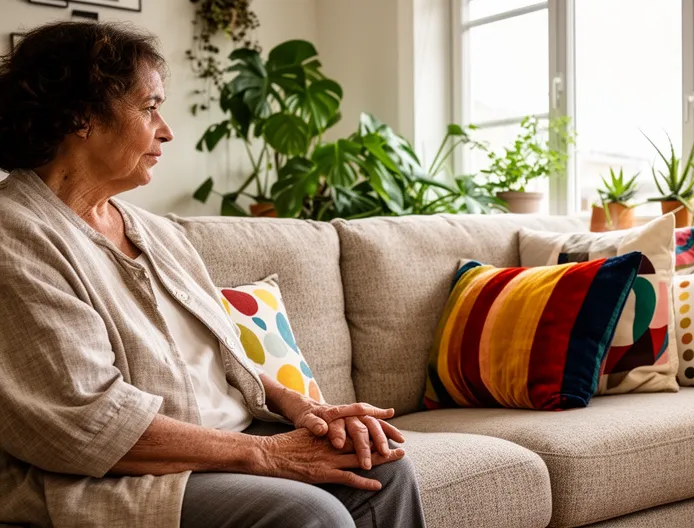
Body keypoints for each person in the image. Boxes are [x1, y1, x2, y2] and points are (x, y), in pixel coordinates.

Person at [0, 21, 426, 528]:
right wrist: (269, 456)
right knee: (308, 513)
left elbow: (222, 355)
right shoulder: (18, 236)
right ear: (81, 116)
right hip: (123, 474)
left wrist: (303, 407)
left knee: (385, 469)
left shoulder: (156, 232)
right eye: (148, 107)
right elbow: (88, 422)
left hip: (221, 444)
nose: (166, 129)